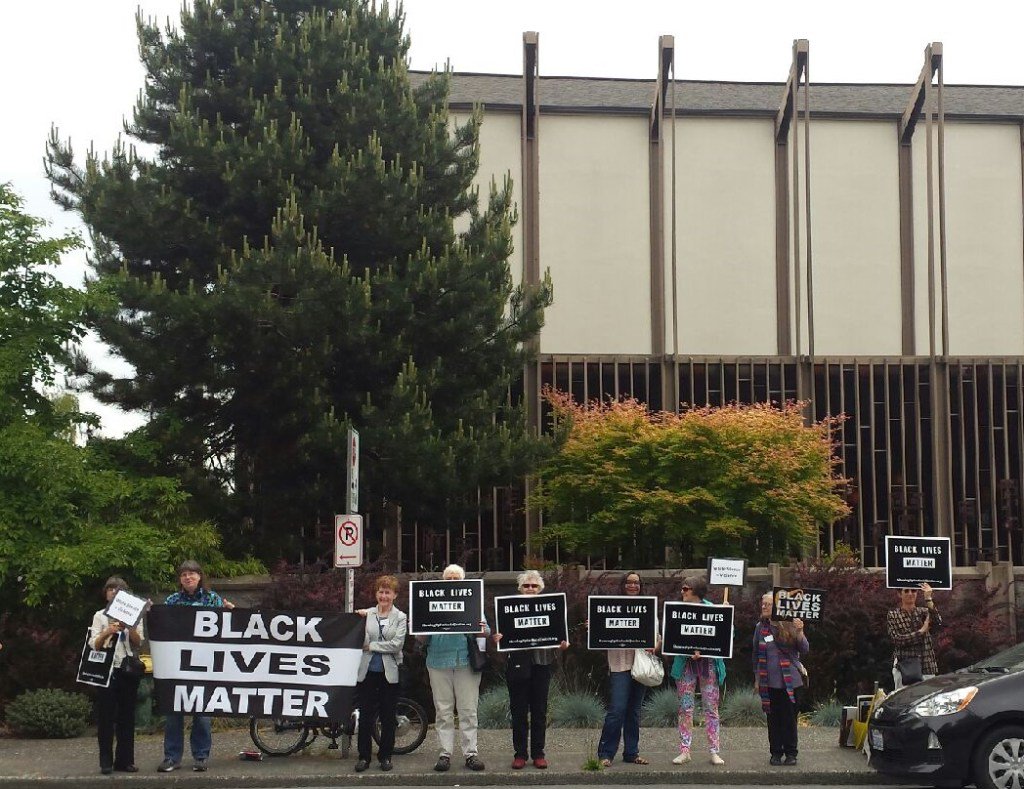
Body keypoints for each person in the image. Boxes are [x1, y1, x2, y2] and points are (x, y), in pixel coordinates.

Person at [158, 560, 232, 773]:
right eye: (183, 575)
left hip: (203, 664)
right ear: (180, 579)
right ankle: (172, 757)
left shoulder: (212, 599)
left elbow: (226, 630)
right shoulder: (171, 601)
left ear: (200, 577)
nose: (188, 577)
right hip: (177, 665)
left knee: (201, 711)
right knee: (174, 712)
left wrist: (232, 614)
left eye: (191, 574)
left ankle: (201, 756)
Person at [493, 570, 568, 770]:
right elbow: (500, 635)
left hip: (542, 665)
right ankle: (520, 754)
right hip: (517, 665)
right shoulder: (509, 608)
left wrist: (562, 644)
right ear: (520, 588)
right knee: (518, 711)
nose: (530, 589)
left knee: (539, 711)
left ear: (540, 588)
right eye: (526, 585)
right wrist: (497, 638)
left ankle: (538, 753)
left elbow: (558, 637)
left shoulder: (550, 609)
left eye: (534, 586)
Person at [418, 564, 489, 773]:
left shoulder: (472, 602)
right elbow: (421, 640)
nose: (452, 581)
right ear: (442, 581)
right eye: (448, 578)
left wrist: (482, 629)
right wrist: (418, 627)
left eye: (456, 578)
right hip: (438, 662)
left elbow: (484, 633)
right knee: (443, 711)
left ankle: (471, 753)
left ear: (463, 581)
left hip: (465, 662)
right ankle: (444, 753)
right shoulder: (429, 603)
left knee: (468, 710)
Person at [597, 571, 655, 767]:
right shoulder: (611, 607)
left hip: (640, 666)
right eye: (629, 583)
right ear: (622, 585)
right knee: (617, 709)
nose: (632, 586)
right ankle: (605, 753)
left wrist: (655, 644)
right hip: (619, 665)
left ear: (641, 586)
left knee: (634, 712)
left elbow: (657, 635)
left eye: (636, 583)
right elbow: (601, 632)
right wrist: (594, 628)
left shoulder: (648, 607)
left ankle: (631, 752)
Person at [90, 576, 145, 774]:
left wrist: (129, 626)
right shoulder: (99, 616)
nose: (113, 592)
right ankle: (105, 761)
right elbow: (94, 644)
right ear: (106, 594)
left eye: (118, 589)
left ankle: (125, 761)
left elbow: (139, 642)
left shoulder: (134, 616)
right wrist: (108, 631)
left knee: (127, 717)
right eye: (110, 589)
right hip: (107, 671)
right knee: (105, 718)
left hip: (127, 670)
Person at [354, 575, 408, 773]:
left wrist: (372, 646)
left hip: (390, 673)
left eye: (388, 592)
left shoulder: (401, 617)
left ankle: (385, 756)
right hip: (367, 672)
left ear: (394, 595)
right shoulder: (366, 614)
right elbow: (357, 639)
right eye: (381, 592)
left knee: (387, 717)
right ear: (376, 594)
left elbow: (397, 645)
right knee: (366, 716)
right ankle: (363, 757)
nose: (384, 596)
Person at [670, 576, 726, 766]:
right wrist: (688, 650)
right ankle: (685, 750)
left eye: (686, 588)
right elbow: (673, 636)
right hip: (685, 667)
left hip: (709, 666)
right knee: (685, 708)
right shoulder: (677, 611)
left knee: (712, 709)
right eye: (682, 588)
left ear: (697, 590)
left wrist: (727, 617)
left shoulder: (713, 609)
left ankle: (714, 751)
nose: (682, 591)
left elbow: (728, 635)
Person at [753, 592, 809, 766]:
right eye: (763, 604)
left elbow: (804, 648)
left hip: (791, 682)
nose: (763, 607)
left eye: (768, 604)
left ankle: (791, 753)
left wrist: (800, 632)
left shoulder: (789, 625)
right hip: (768, 682)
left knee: (789, 720)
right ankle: (776, 752)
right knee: (773, 720)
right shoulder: (759, 628)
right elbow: (755, 654)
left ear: (777, 607)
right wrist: (756, 679)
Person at [886, 582, 942, 689]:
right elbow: (898, 640)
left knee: (928, 702)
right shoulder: (893, 615)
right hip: (905, 667)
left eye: (913, 591)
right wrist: (921, 631)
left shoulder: (924, 612)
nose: (910, 594)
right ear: (899, 594)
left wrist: (928, 598)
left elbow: (938, 622)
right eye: (906, 591)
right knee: (904, 702)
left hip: (927, 665)